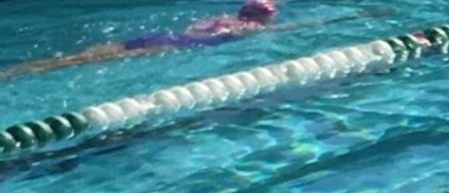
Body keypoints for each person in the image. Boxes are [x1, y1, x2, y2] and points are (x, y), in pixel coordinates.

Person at [0, 1, 281, 82]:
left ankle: (13, 71)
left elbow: (193, 27)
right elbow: (269, 33)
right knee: (96, 62)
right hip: (173, 45)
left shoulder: (218, 17)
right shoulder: (251, 29)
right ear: (263, 18)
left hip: (160, 37)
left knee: (79, 57)